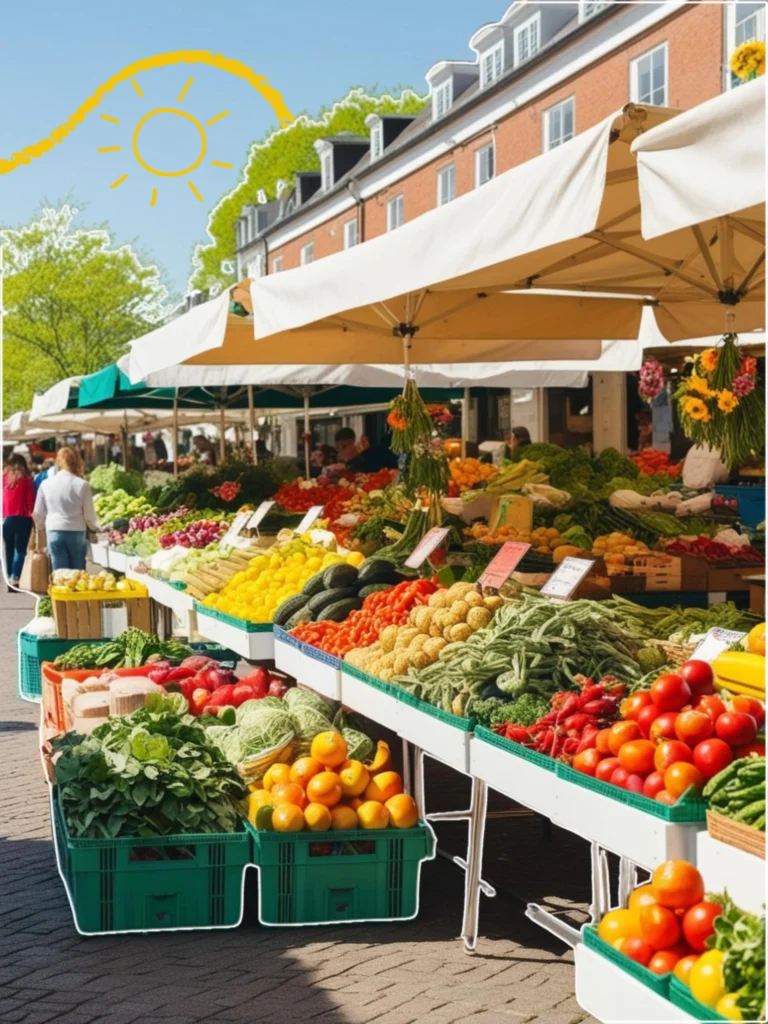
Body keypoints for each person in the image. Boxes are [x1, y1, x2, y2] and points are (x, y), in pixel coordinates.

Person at [33, 447, 99, 571]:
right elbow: (89, 515)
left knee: (60, 574)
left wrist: (41, 528)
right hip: (77, 532)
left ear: (58, 462)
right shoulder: (82, 484)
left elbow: (37, 514)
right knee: (78, 574)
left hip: (54, 530)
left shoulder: (45, 484)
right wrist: (95, 528)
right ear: (77, 462)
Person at [2, 454, 35, 590]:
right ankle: (15, 577)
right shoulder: (26, 480)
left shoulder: (3, 479)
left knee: (9, 549)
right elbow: (31, 501)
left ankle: (9, 577)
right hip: (22, 518)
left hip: (5, 519)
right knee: (20, 550)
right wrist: (34, 519)